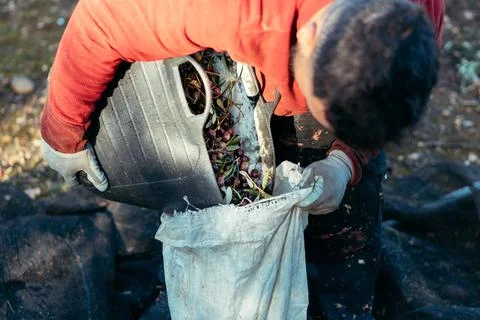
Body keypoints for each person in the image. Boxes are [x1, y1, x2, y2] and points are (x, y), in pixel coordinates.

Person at [40, 0, 444, 318]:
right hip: (234, 48)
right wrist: (63, 131)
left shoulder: (414, 18)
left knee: (346, 250)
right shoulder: (230, 8)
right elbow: (103, 19)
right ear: (311, 35)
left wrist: (346, 161)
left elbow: (381, 109)